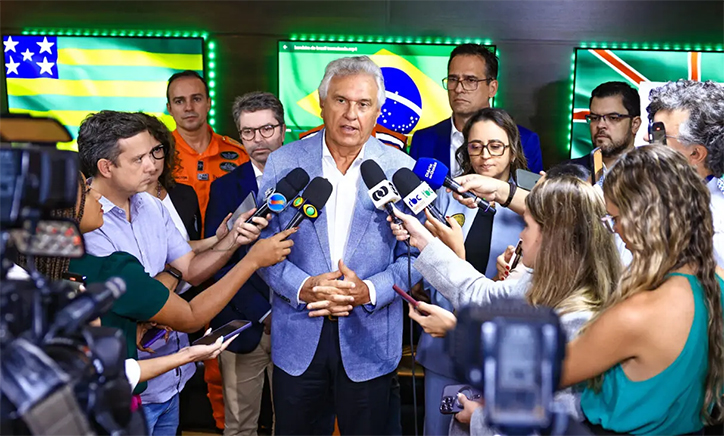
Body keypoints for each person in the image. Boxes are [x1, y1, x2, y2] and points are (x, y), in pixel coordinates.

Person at [76, 110, 287, 435]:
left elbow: (190, 267)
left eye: (153, 153)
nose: (152, 165)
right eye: (139, 159)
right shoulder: (86, 229)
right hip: (127, 394)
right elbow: (186, 315)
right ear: (106, 167)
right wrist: (252, 260)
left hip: (171, 383)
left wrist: (233, 239)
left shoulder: (152, 205)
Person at [257, 55, 420, 435]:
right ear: (322, 103)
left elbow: (414, 256)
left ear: (378, 110)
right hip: (300, 334)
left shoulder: (399, 168)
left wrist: (368, 290)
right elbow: (262, 245)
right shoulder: (284, 162)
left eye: (363, 104)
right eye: (341, 101)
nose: (351, 114)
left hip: (371, 339)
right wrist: (304, 286)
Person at [389, 175, 620, 434]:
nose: (521, 234)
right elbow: (480, 294)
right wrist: (422, 239)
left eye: (528, 226)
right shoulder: (541, 281)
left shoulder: (579, 318)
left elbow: (549, 419)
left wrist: (479, 418)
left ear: (553, 238)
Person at [559, 146, 724, 435]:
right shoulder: (718, 283)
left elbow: (545, 373)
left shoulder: (636, 315)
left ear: (641, 221)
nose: (616, 231)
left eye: (614, 219)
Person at [414, 107, 529, 435]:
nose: (485, 156)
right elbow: (427, 266)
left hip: (502, 351)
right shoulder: (445, 196)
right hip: (443, 347)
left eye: (496, 146)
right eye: (475, 146)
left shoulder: (530, 205)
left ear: (512, 150)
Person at [205, 92, 286, 436]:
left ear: (283, 130)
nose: (259, 140)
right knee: (240, 426)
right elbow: (215, 261)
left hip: (299, 325)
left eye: (267, 129)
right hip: (243, 323)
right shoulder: (226, 186)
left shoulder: (311, 180)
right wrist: (262, 313)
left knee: (296, 424)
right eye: (248, 132)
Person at [409, 43, 542, 174]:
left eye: (470, 80)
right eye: (453, 79)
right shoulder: (424, 140)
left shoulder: (524, 141)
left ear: (492, 88)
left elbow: (531, 195)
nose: (458, 89)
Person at [647, 79, 724, 268]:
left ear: (696, 154)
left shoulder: (715, 227)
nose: (646, 139)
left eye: (660, 135)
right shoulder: (665, 199)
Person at [166, 70, 250, 224]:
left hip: (229, 244)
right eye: (179, 101)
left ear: (209, 103)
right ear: (169, 108)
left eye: (196, 99)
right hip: (174, 246)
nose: (188, 107)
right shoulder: (158, 155)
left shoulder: (238, 154)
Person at [567, 81, 642, 179]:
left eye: (613, 118)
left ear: (635, 124)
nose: (600, 125)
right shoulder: (568, 174)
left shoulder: (653, 175)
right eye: (594, 118)